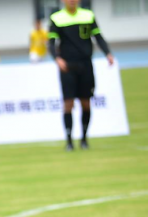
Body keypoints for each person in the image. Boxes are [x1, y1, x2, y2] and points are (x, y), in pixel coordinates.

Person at [49, 0, 115, 151]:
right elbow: (51, 43)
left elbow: (98, 37)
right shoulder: (57, 18)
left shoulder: (88, 16)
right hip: (67, 66)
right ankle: (69, 141)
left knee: (86, 102)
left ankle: (84, 139)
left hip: (85, 64)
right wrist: (57, 59)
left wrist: (108, 53)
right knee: (68, 103)